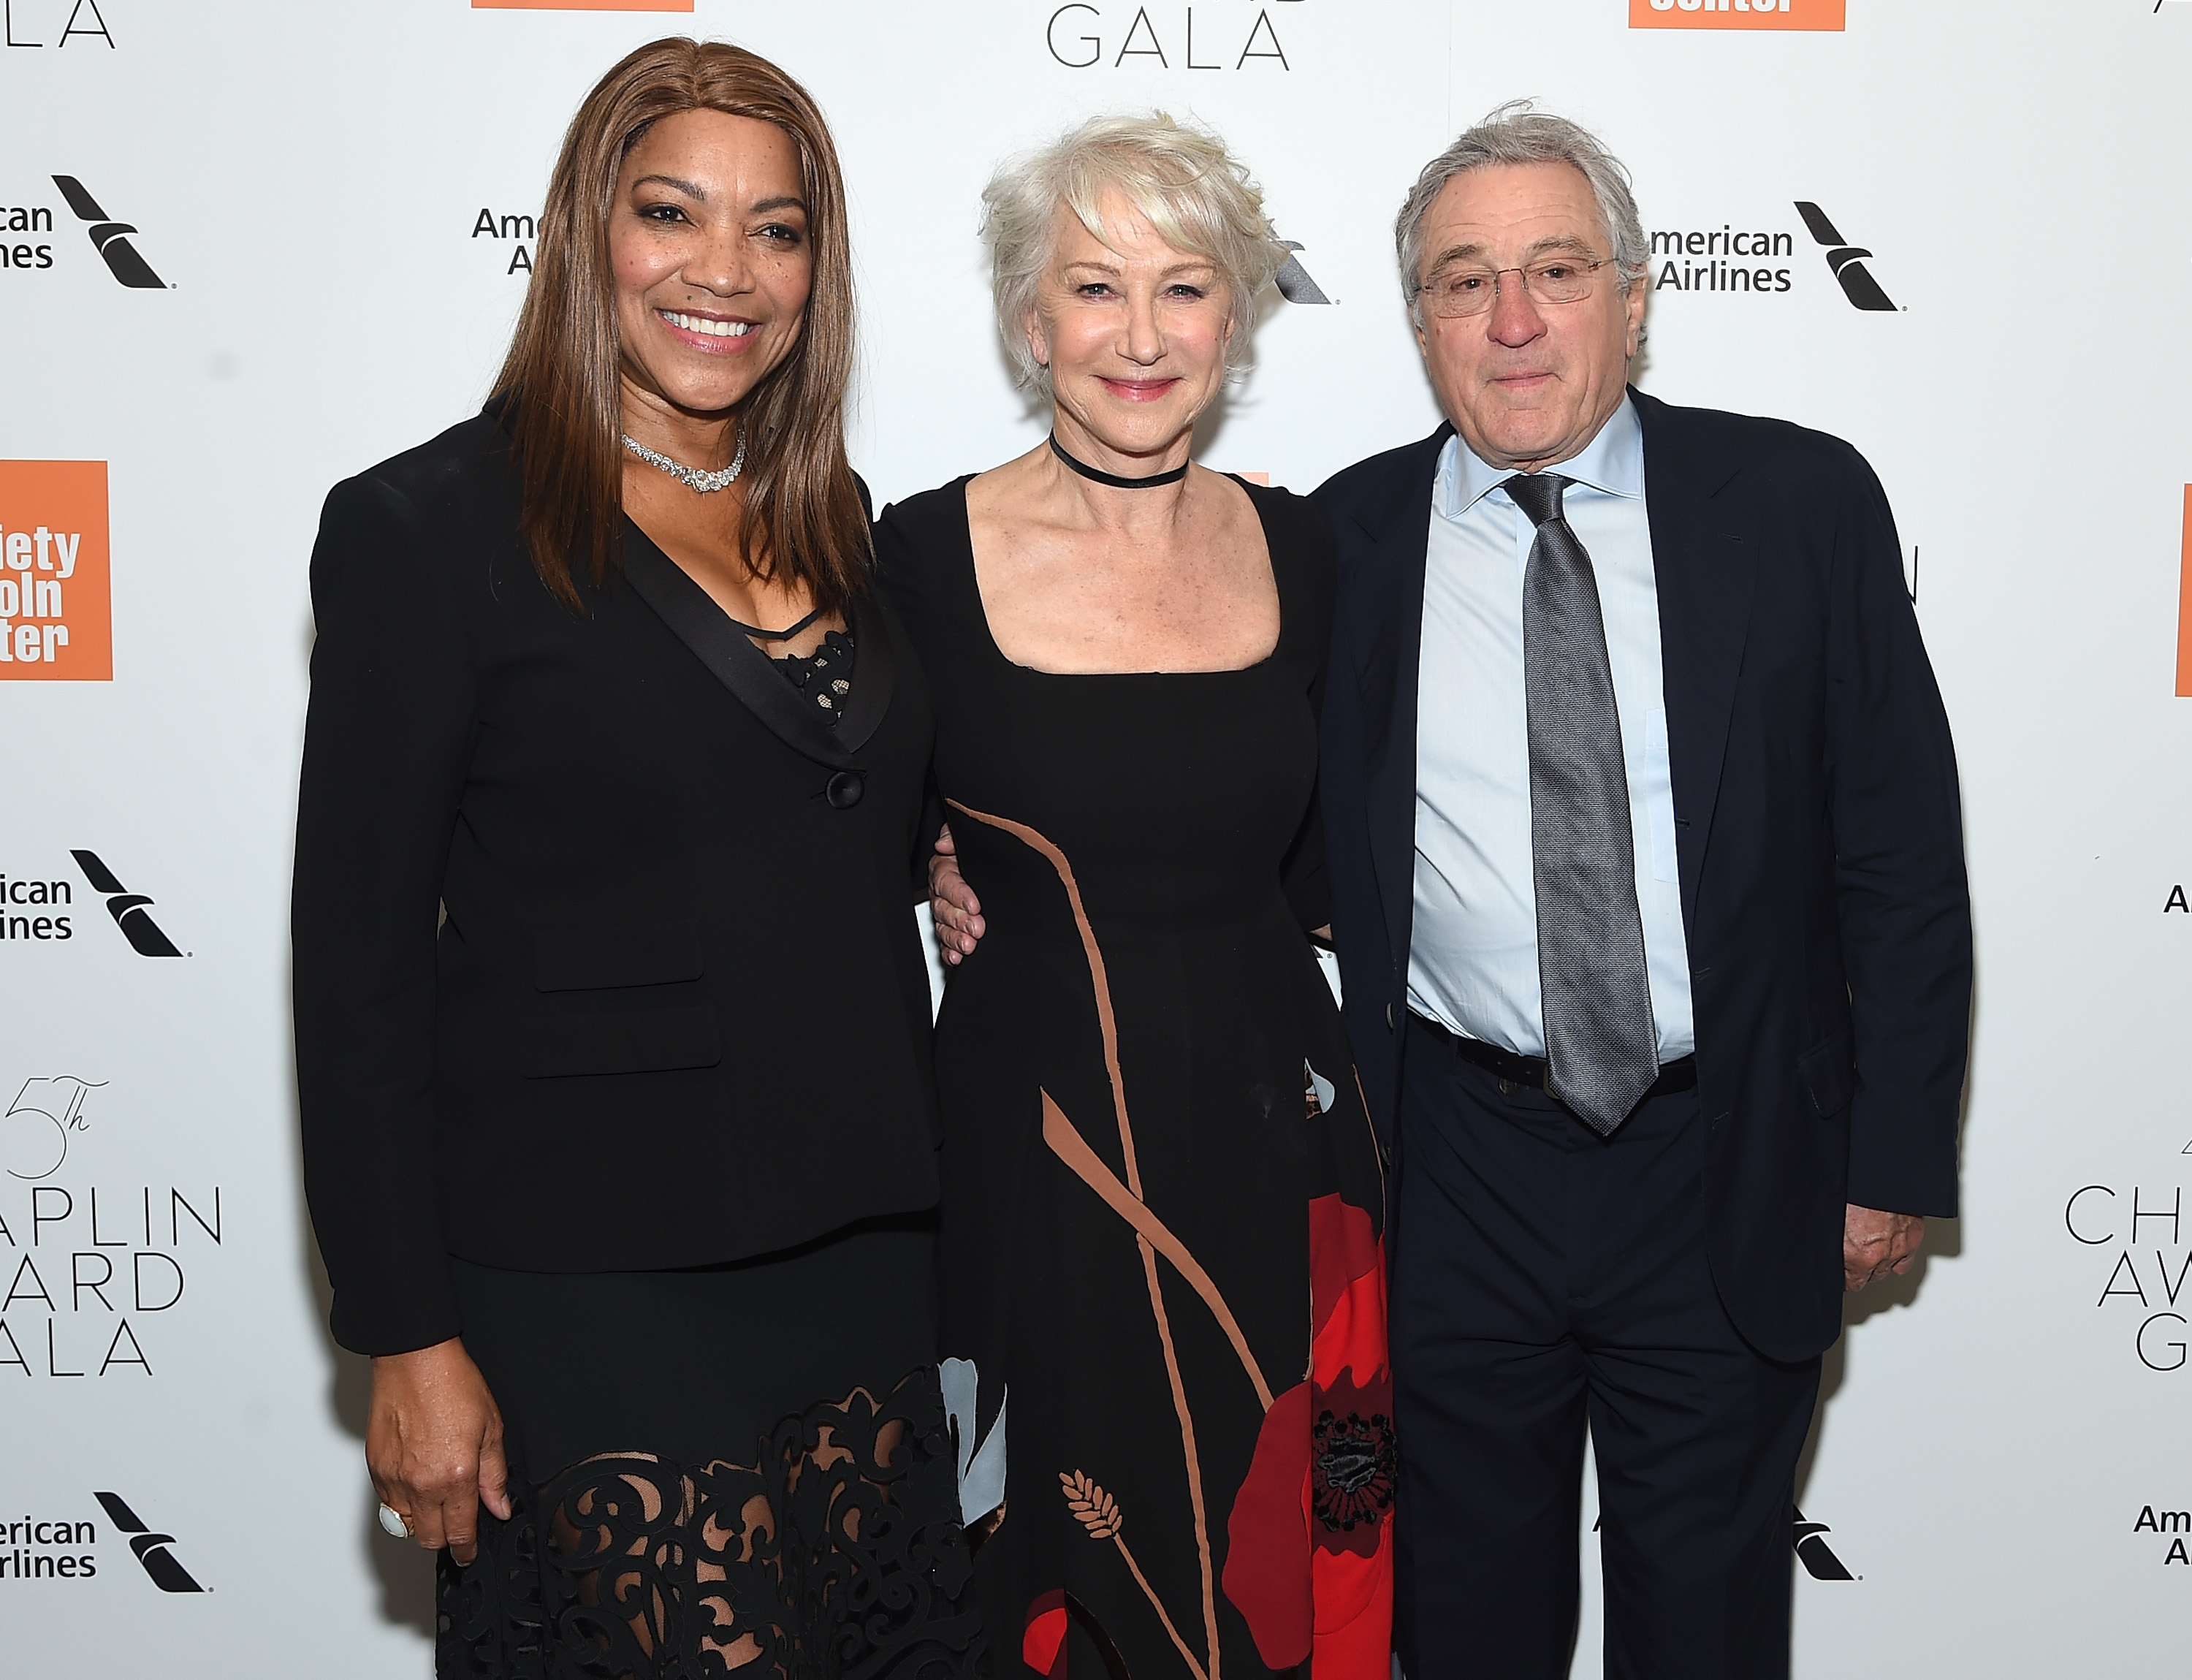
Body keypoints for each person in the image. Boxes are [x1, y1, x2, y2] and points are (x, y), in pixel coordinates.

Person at [292, 39, 982, 1680]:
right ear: (587, 230)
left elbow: (814, 806)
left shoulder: (831, 516)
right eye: (673, 213)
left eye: (780, 228)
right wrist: (405, 1328)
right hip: (593, 1273)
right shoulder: (426, 530)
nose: (725, 273)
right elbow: (358, 963)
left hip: (865, 1253)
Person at [1309, 105, 1972, 1676]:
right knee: (1466, 1621)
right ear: (1418, 322)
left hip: (1725, 1157)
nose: (1515, 319)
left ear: (1635, 292)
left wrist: (1888, 1152)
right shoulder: (1340, 541)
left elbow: (1900, 852)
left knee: (1708, 1619)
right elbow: (1227, 813)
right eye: (1465, 282)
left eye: (1555, 267)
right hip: (1455, 1167)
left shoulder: (1800, 507)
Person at [885, 113, 1394, 1680]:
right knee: (1064, 1563)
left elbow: (1330, 865)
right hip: (1041, 1151)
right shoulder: (913, 552)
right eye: (1095, 288)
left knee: (1286, 1558)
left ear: (1235, 318)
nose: (1141, 335)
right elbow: (828, 810)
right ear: (1028, 320)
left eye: (1184, 288)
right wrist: (927, 856)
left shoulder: (1306, 548)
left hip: (1282, 1142)